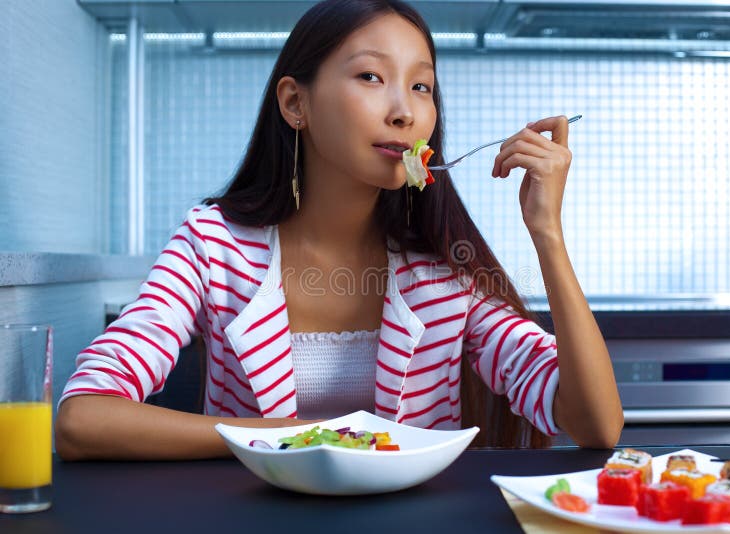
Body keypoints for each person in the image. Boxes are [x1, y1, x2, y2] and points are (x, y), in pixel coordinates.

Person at [55, 0, 623, 460]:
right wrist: (294, 439)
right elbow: (83, 418)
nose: (404, 111)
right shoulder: (213, 246)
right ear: (295, 102)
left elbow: (595, 425)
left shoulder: (446, 270)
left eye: (421, 87)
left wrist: (547, 232)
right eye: (372, 76)